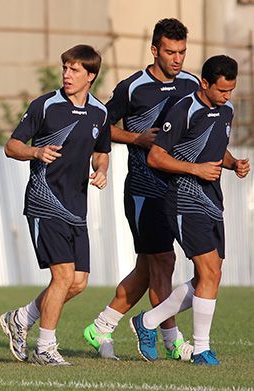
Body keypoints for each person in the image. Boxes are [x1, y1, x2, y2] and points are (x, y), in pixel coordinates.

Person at [83, 18, 199, 361]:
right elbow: (99, 126)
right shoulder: (133, 87)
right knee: (163, 261)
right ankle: (173, 341)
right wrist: (136, 138)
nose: (177, 59)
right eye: (170, 51)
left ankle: (101, 327)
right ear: (154, 50)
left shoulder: (192, 85)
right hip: (143, 189)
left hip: (179, 188)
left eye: (182, 52)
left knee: (149, 269)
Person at [131, 55, 249, 366]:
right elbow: (156, 157)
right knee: (209, 272)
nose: (227, 96)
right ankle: (200, 349)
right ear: (205, 83)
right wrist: (195, 170)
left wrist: (233, 162)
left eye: (231, 91)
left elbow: (213, 145)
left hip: (212, 200)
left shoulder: (226, 110)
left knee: (209, 276)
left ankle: (147, 321)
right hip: (184, 200)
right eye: (222, 90)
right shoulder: (183, 109)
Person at [0, 44, 110, 366]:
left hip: (77, 208)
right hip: (44, 203)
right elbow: (12, 146)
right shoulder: (45, 105)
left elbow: (101, 151)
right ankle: (45, 348)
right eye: (65, 68)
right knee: (62, 276)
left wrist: (101, 169)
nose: (67, 75)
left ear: (91, 76)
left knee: (78, 282)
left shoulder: (100, 113)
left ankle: (22, 318)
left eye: (75, 70)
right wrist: (36, 152)